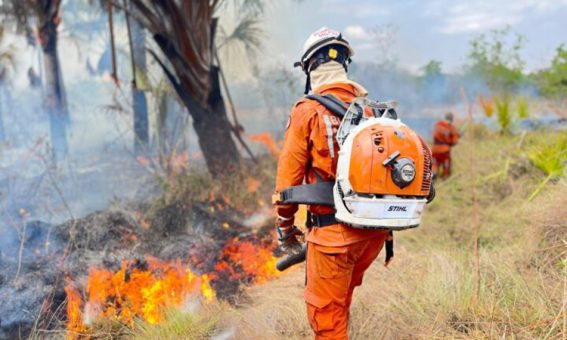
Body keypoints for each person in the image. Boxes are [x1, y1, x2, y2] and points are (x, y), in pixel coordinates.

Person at [273, 27, 390, 340]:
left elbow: (287, 183)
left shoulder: (308, 110)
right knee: (341, 300)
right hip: (374, 233)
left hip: (334, 237)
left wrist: (285, 228)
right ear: (344, 66)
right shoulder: (372, 111)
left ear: (310, 68)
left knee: (326, 319)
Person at [431, 112, 459, 179]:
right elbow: (454, 141)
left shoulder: (437, 125)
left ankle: (433, 174)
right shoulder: (451, 128)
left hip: (435, 149)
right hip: (444, 150)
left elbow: (433, 136)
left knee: (434, 163)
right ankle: (445, 178)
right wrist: (456, 136)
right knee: (446, 164)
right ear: (452, 119)